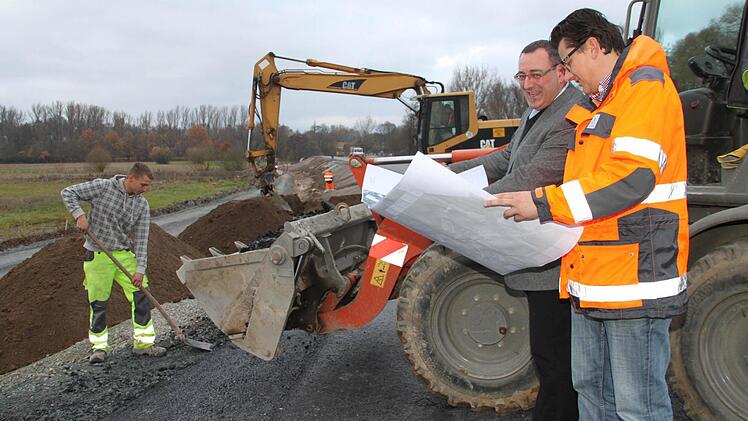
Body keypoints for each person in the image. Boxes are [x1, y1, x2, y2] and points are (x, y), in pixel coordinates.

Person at [485, 9, 689, 420]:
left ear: (593, 47)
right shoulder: (602, 103)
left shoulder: (643, 89)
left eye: (568, 62)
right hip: (591, 279)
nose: (569, 75)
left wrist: (542, 203)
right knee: (593, 395)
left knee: (637, 406)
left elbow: (630, 178)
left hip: (634, 280)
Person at [450, 39, 590, 421]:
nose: (527, 84)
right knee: (548, 354)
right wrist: (447, 178)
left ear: (562, 72)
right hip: (535, 257)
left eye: (536, 74)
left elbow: (529, 178)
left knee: (556, 358)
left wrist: (459, 202)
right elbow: (508, 158)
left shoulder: (572, 115)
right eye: (521, 75)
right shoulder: (537, 112)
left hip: (554, 260)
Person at [61, 162, 167, 364]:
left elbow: (142, 239)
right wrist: (79, 215)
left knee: (141, 294)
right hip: (98, 255)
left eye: (148, 186)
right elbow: (68, 192)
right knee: (98, 303)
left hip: (124, 255)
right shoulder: (102, 187)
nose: (146, 190)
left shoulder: (141, 204)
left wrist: (140, 269)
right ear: (130, 179)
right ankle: (99, 348)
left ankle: (144, 344)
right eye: (143, 185)